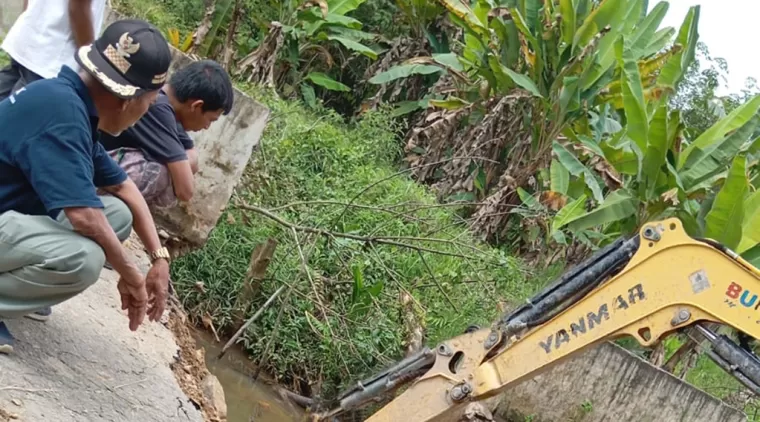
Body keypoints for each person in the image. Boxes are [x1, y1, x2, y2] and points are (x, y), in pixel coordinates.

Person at [0, 18, 174, 354]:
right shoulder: (62, 113)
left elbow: (125, 189)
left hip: (9, 212)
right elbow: (82, 216)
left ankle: (22, 286)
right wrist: (131, 274)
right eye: (149, 105)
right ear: (128, 100)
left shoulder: (70, 102)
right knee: (84, 259)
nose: (145, 113)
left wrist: (159, 258)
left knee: (117, 215)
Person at [100, 60, 234, 208]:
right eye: (210, 120)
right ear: (197, 106)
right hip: (90, 164)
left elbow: (193, 159)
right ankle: (103, 208)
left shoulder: (169, 106)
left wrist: (176, 164)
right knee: (162, 174)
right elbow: (186, 191)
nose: (207, 127)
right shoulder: (158, 108)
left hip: (99, 161)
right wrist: (174, 165)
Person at [0, 0, 108, 101]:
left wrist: (28, 23)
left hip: (30, 41)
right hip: (51, 57)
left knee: (8, 111)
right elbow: (78, 9)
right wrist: (89, 60)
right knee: (18, 117)